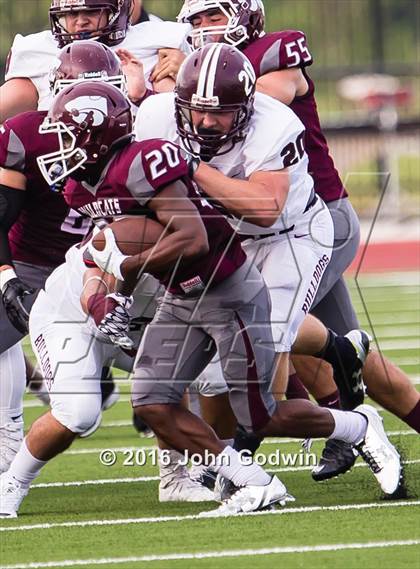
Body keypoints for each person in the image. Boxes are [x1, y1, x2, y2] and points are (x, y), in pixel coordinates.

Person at [175, 0, 420, 480]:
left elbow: (259, 96)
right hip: (260, 231)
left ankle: (290, 437)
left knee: (271, 323)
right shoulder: (195, 74)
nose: (205, 30)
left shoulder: (274, 51)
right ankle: (347, 417)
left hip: (315, 218)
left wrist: (182, 84)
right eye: (197, 21)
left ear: (246, 15)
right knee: (347, 350)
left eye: (215, 17)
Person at [0, 42, 134, 473]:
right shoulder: (25, 133)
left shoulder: (141, 133)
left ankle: (188, 464)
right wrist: (6, 275)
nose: (87, 118)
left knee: (179, 353)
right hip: (34, 260)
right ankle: (7, 436)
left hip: (109, 266)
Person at [0, 0, 191, 121]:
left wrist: (185, 72)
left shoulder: (156, 42)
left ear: (117, 10)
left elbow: (180, 118)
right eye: (72, 13)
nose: (80, 21)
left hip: (130, 150)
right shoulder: (39, 50)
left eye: (91, 12)